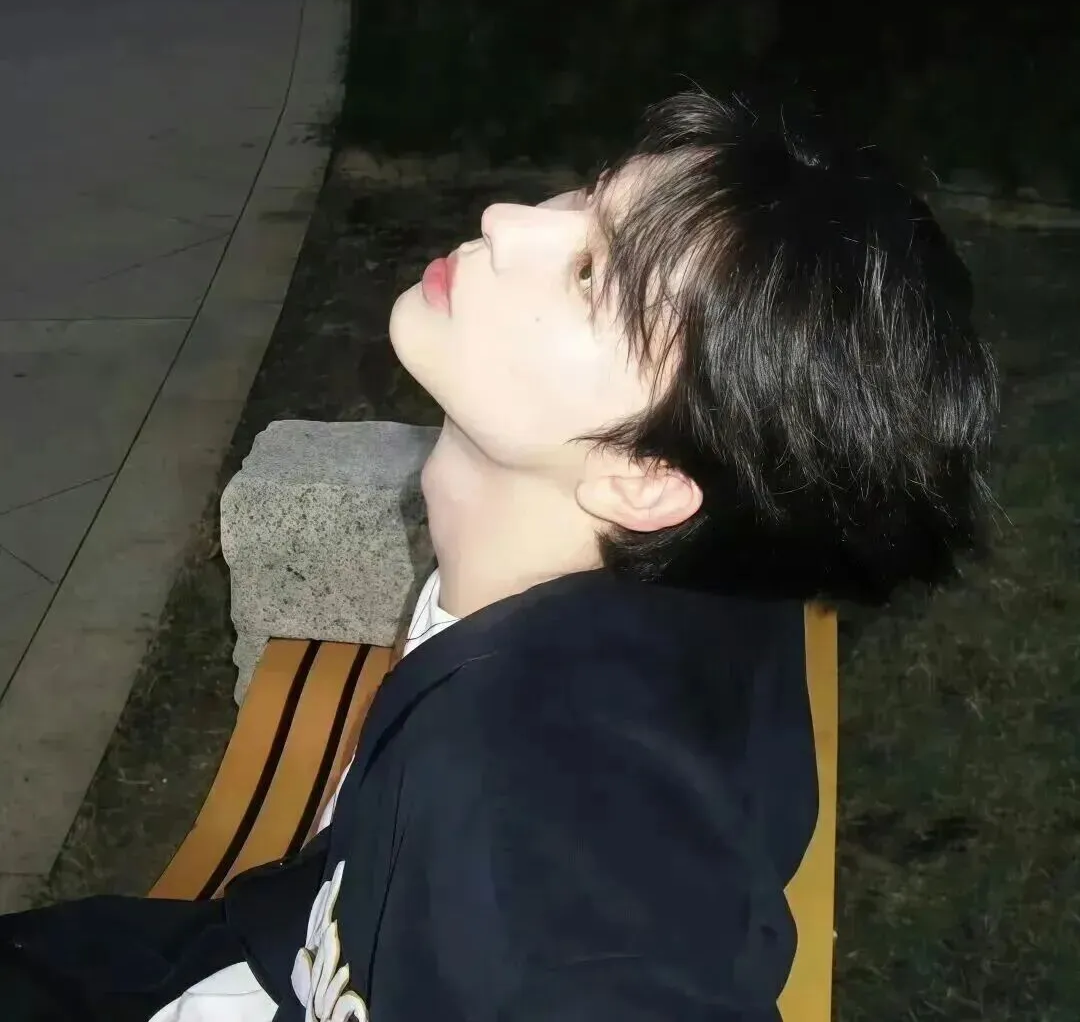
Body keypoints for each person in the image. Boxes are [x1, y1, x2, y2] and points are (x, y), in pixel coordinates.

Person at [0, 90, 998, 1021]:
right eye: (586, 197)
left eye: (592, 275)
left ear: (649, 477)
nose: (506, 219)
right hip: (256, 951)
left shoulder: (536, 800)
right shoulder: (711, 570)